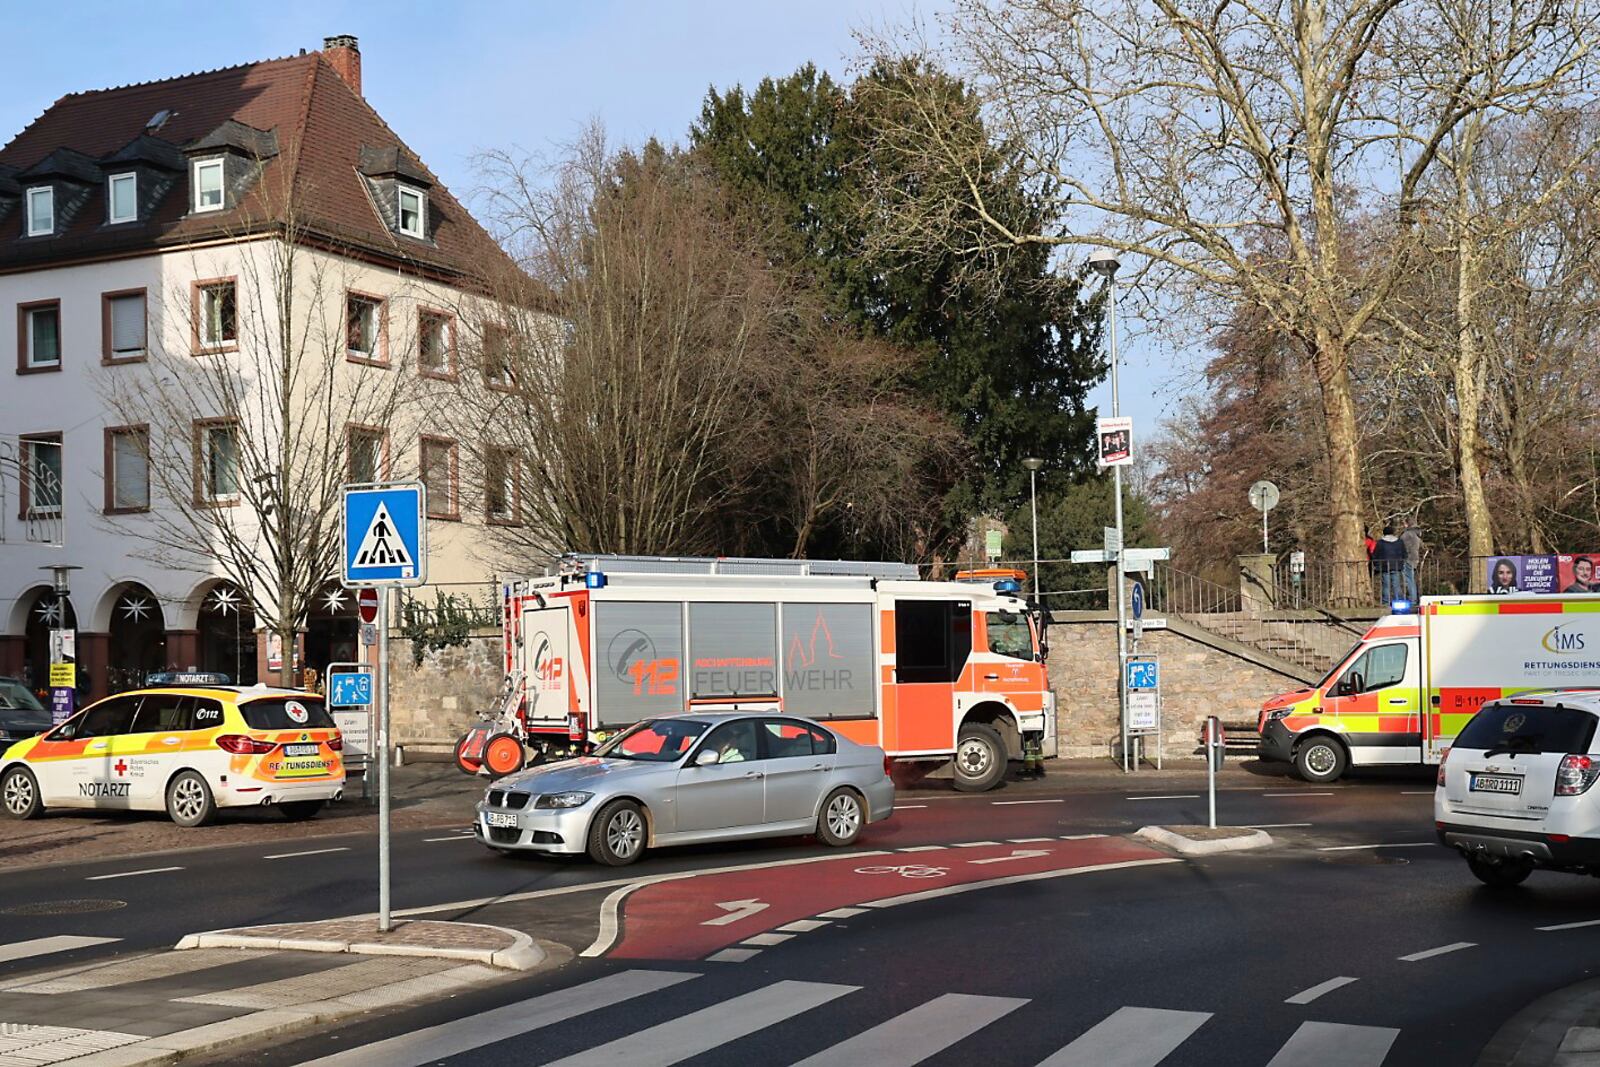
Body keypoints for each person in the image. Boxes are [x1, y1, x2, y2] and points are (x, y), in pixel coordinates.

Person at [1371, 525, 1407, 604]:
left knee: (1386, 585)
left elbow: (1375, 555)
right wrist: (1401, 563)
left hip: (1384, 566)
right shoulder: (1399, 542)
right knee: (1396, 585)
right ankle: (1399, 600)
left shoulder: (1380, 542)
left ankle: (1386, 601)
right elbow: (1404, 554)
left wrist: (1376, 564)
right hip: (1397, 566)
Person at [1401, 523, 1423, 601]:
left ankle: (1412, 598)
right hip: (1415, 559)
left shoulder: (1407, 535)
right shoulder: (1416, 536)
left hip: (1408, 559)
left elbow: (1403, 547)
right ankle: (1414, 597)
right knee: (1411, 579)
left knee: (1408, 579)